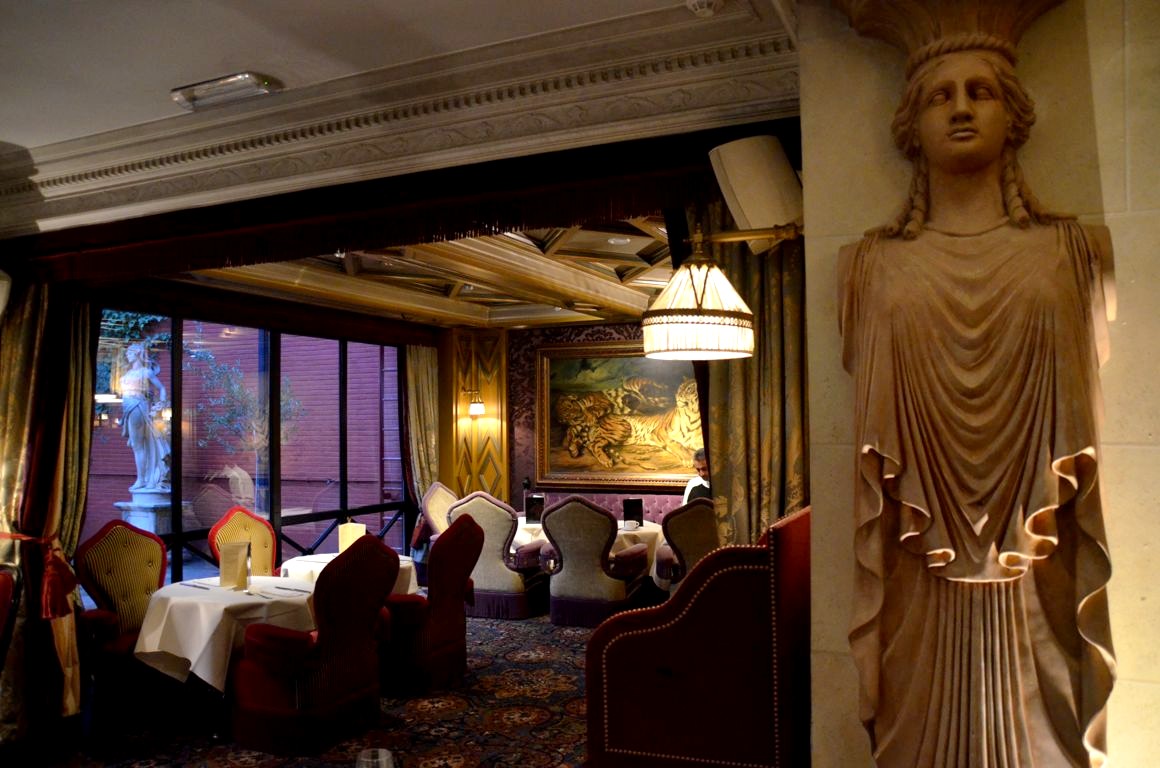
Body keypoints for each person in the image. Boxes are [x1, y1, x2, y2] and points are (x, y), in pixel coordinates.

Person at [838, 37, 1115, 767]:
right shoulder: (866, 263)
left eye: (980, 91)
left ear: (1013, 116)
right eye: (940, 95)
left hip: (1040, 556)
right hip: (914, 567)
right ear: (912, 126)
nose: (960, 107)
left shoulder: (1076, 251)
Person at [120, 342, 171, 492]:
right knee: (136, 446)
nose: (127, 356)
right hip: (128, 408)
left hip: (137, 406)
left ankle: (142, 479)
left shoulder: (145, 372)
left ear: (137, 354)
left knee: (138, 445)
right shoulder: (127, 375)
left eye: (130, 353)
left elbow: (161, 388)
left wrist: (161, 404)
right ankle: (142, 478)